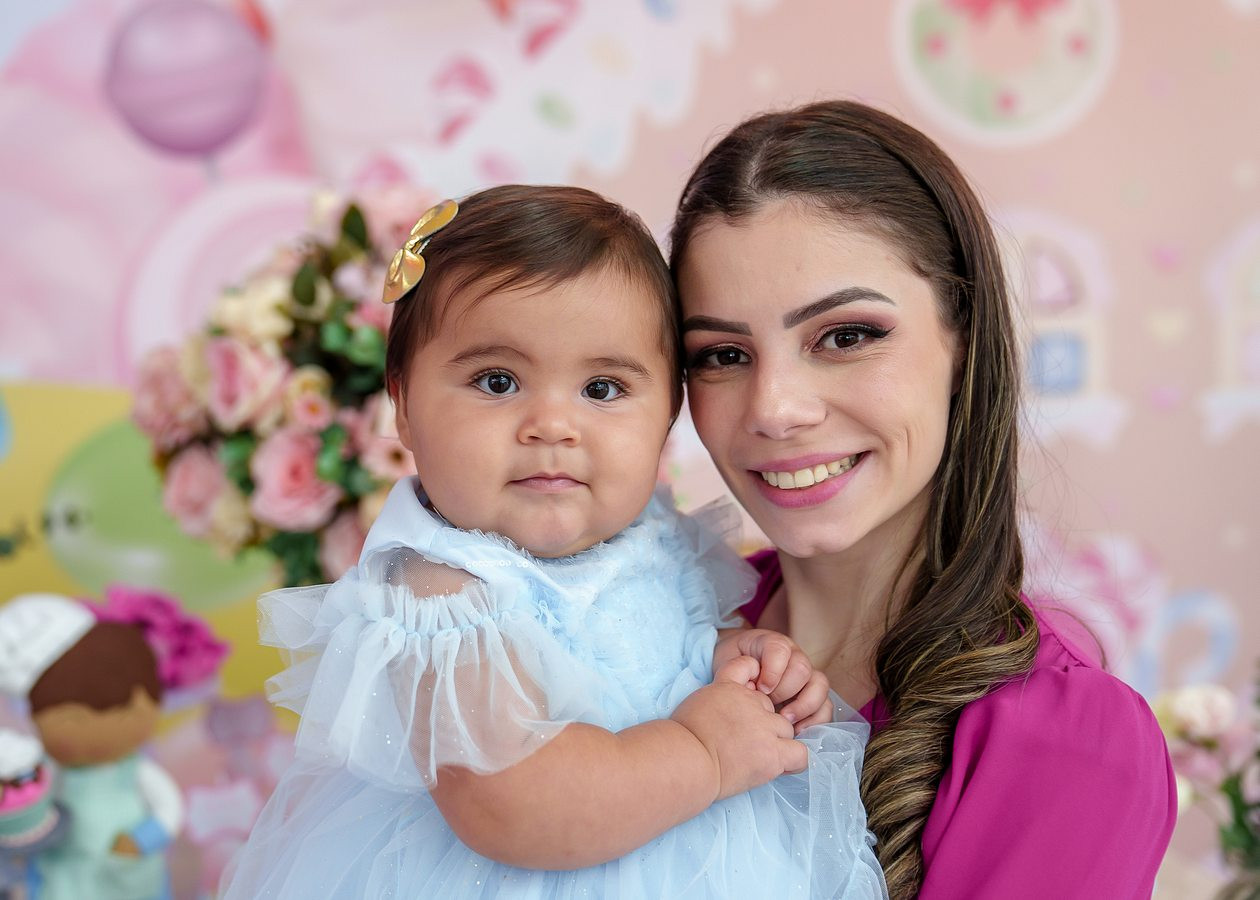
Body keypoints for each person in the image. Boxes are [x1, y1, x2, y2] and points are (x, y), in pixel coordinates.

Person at [222, 185, 886, 899]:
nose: (552, 426)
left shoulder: (655, 536)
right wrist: (704, 750)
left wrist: (732, 660)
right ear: (404, 405)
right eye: (497, 381)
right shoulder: (445, 595)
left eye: (602, 390)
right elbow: (512, 805)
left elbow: (657, 648)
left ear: (668, 416)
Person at [669, 99, 1177, 899]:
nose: (774, 409)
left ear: (962, 339)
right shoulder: (652, 630)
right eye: (723, 354)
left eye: (846, 336)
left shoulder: (1073, 744)